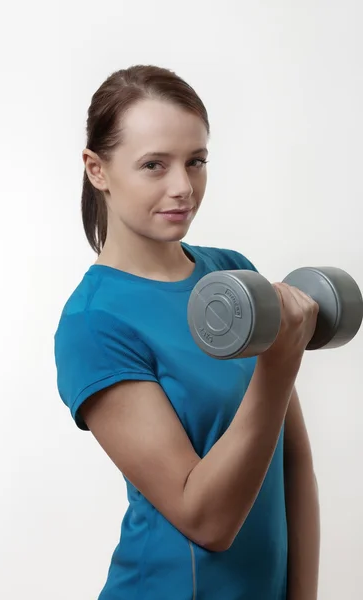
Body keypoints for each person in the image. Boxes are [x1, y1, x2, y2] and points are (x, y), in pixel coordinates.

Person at [54, 65, 320, 600]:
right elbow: (206, 520)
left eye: (196, 161)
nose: (183, 187)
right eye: (154, 165)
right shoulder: (94, 323)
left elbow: (293, 464)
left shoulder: (231, 273)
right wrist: (278, 366)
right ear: (97, 169)